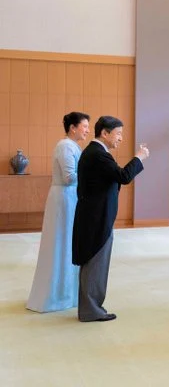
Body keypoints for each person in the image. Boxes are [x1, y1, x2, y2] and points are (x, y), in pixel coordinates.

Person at [72, 116, 148, 322]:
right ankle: (90, 310)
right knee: (95, 262)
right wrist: (139, 157)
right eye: (118, 134)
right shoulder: (98, 154)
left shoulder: (96, 153)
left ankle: (91, 308)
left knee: (94, 262)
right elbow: (123, 176)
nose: (121, 138)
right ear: (104, 133)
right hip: (96, 218)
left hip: (95, 216)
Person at [26, 112, 90, 313]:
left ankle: (67, 293)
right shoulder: (65, 146)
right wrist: (92, 175)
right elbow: (70, 177)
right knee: (62, 242)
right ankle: (57, 295)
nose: (87, 130)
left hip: (70, 196)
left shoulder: (72, 146)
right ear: (73, 127)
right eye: (85, 126)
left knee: (68, 242)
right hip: (64, 198)